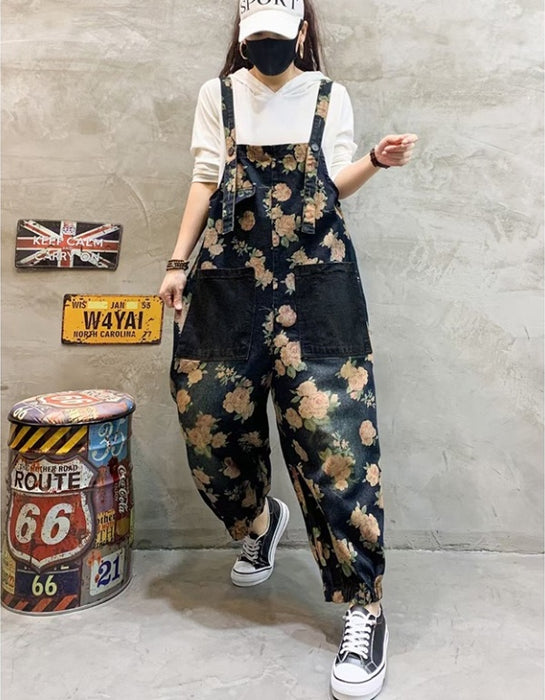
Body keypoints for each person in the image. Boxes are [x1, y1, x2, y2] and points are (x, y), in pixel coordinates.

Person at [159, 2, 417, 698]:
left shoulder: (328, 96)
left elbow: (331, 186)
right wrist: (177, 262)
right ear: (243, 37)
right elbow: (206, 177)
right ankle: (256, 519)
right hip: (226, 277)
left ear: (301, 31)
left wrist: (373, 161)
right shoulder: (218, 96)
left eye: (276, 37)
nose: (265, 49)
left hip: (316, 282)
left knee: (337, 442)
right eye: (256, 40)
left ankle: (364, 606)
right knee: (207, 419)